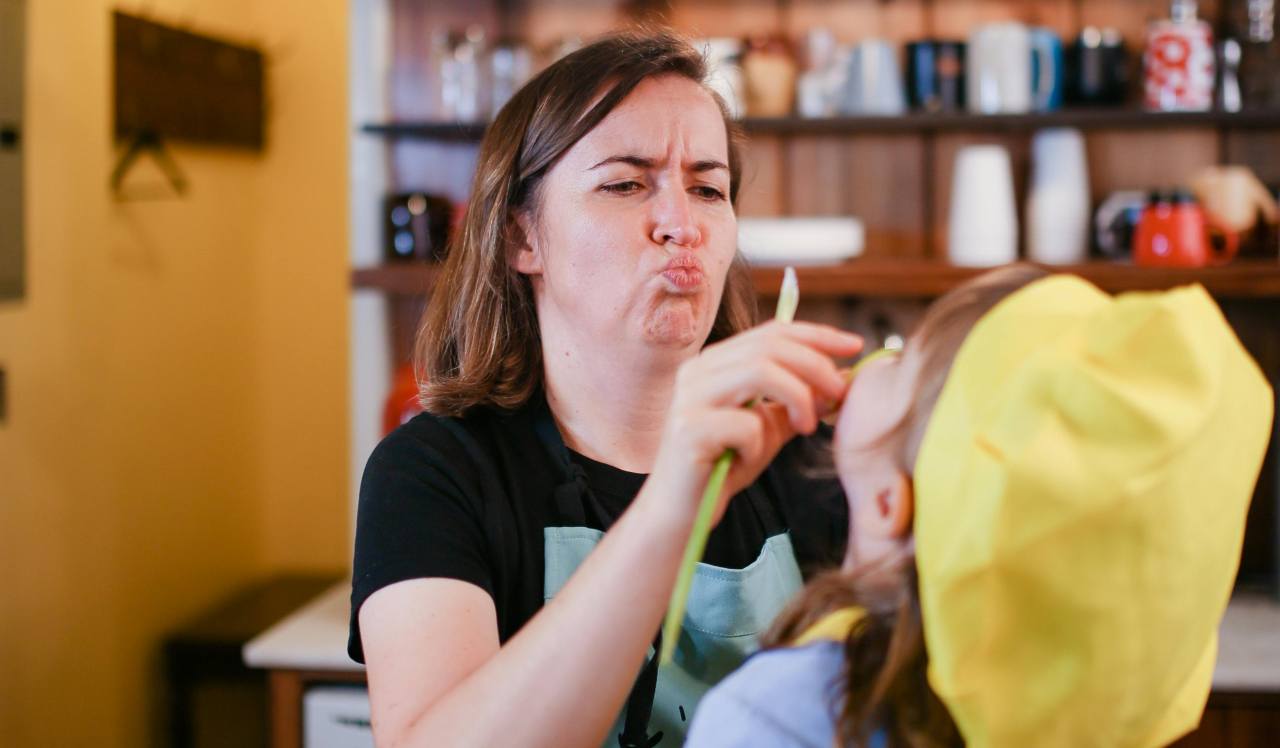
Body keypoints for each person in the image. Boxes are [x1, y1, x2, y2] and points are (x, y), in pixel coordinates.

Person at [348, 30, 864, 747]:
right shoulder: (435, 474)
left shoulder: (814, 459)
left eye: (709, 188)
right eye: (624, 183)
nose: (682, 225)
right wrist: (671, 502)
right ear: (521, 237)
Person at [685, 265, 1274, 747]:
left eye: (903, 363)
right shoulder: (1077, 714)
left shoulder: (774, 718)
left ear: (892, 501)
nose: (877, 360)